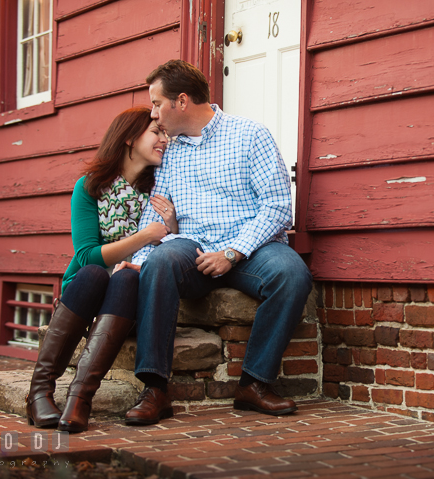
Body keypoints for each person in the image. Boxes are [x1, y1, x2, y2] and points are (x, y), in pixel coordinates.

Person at [114, 60, 312, 425]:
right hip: (191, 246)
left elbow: (278, 206)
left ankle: (254, 384)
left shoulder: (250, 135)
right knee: (159, 263)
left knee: (293, 274)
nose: (154, 115)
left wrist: (232, 252)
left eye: (157, 104)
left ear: (182, 101)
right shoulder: (169, 152)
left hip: (252, 248)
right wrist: (138, 260)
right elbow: (157, 215)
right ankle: (155, 389)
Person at [25, 107, 177, 433]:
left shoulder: (161, 191)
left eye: (165, 134)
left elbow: (173, 250)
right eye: (156, 133)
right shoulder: (90, 187)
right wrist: (146, 235)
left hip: (128, 298)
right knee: (95, 273)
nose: (165, 140)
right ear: (128, 138)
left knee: (125, 277)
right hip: (86, 291)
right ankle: (39, 392)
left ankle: (79, 399)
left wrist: (171, 227)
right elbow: (86, 257)